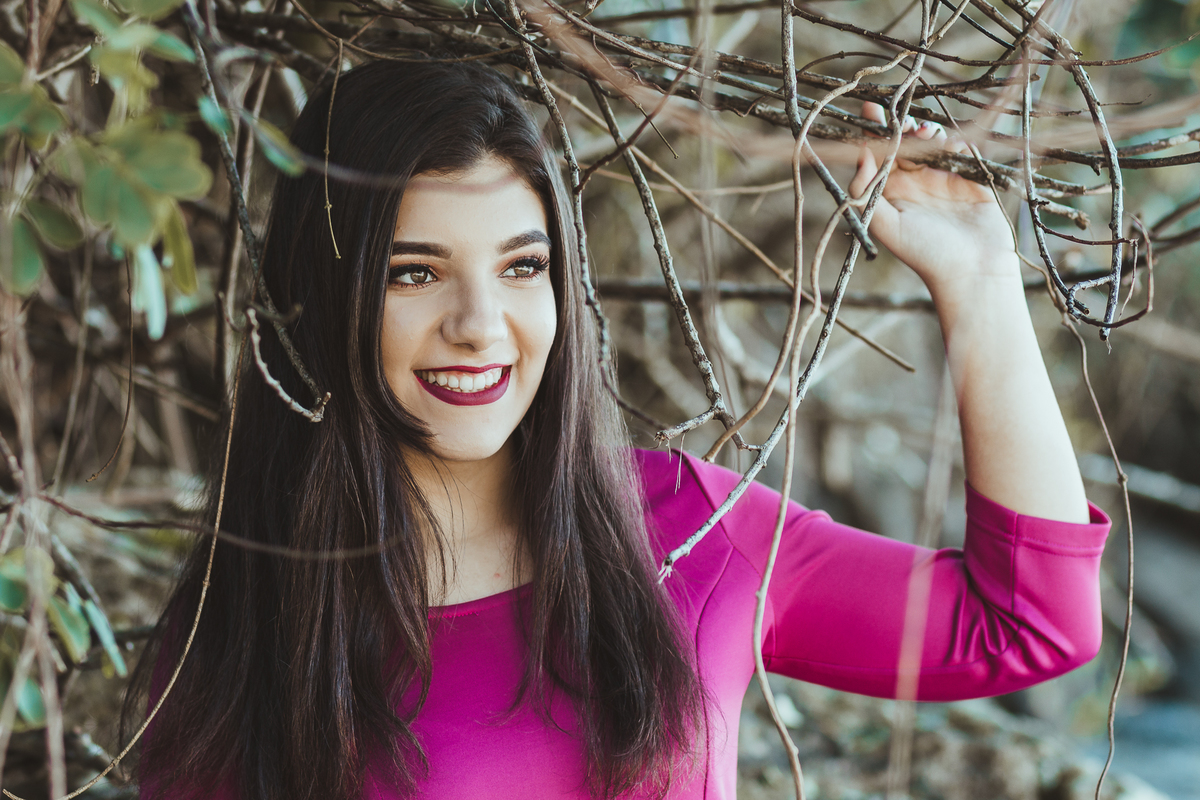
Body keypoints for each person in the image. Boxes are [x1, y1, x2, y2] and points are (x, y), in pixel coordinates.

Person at [128, 60, 1110, 800]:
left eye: (522, 266)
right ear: (325, 291)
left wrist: (980, 282)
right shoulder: (237, 638)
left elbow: (1027, 622)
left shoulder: (688, 526)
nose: (481, 322)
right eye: (412, 272)